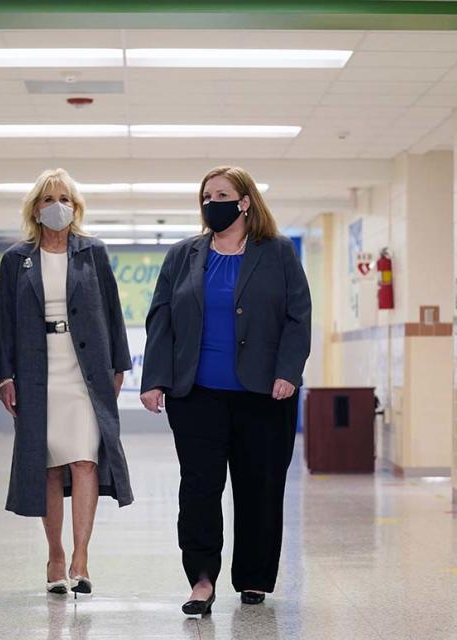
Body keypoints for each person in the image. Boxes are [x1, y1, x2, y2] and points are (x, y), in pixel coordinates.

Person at [139, 166, 311, 616]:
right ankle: (201, 580)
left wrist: (288, 372)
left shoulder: (277, 253)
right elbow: (161, 319)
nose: (211, 201)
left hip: (264, 396)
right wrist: (155, 378)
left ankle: (253, 577)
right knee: (199, 489)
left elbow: (298, 316)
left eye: (221, 194)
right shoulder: (183, 256)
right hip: (197, 395)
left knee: (259, 488)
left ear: (245, 201)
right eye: (205, 194)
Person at [0, 168, 134, 596]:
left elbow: (112, 311)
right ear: (35, 208)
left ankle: (81, 556)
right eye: (49, 198)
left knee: (85, 460)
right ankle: (55, 554)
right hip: (38, 373)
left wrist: (119, 366)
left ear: (76, 208)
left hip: (84, 373)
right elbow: (2, 324)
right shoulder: (16, 259)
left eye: (66, 199)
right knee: (49, 467)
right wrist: (4, 376)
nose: (58, 206)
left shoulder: (93, 252)